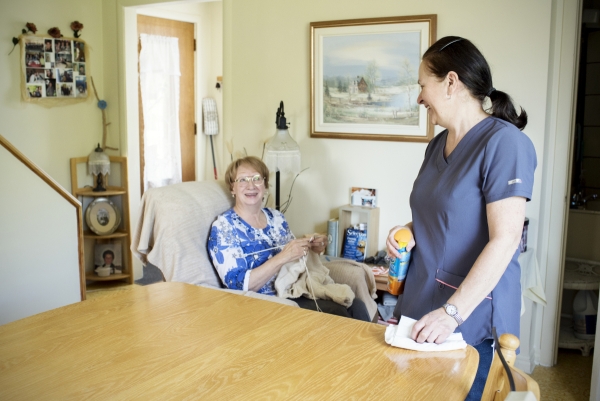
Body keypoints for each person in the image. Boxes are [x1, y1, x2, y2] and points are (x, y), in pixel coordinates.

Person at [386, 36, 536, 400]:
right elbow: (442, 215)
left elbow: (506, 238)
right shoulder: (437, 144)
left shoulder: (504, 144)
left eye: (423, 86)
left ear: (451, 82)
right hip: (422, 301)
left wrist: (452, 313)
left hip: (470, 315)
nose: (419, 97)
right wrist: (406, 232)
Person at [209, 156, 370, 321]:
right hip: (265, 301)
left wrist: (312, 247)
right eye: (243, 179)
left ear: (265, 185)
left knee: (356, 305)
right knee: (338, 314)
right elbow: (238, 285)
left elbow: (295, 261)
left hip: (295, 289)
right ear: (232, 188)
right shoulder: (224, 227)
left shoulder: (276, 217)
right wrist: (283, 256)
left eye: (257, 178)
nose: (251, 185)